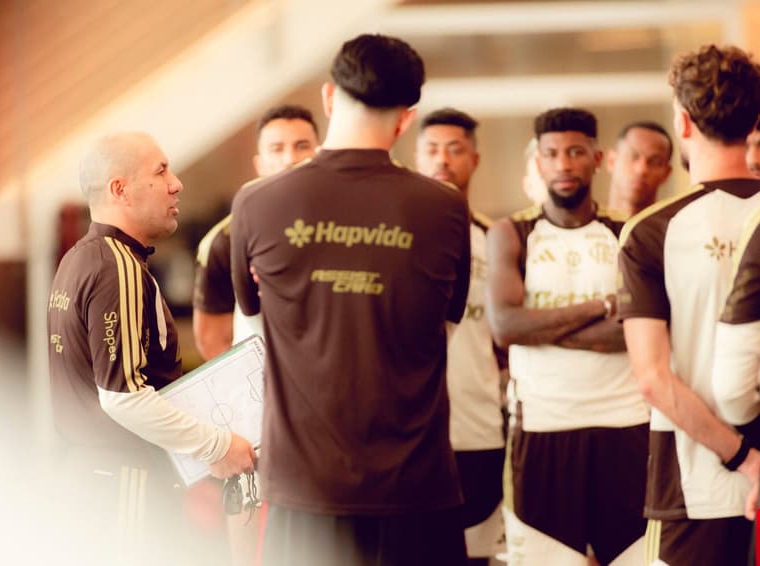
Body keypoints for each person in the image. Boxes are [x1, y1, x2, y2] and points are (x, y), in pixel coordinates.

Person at [231, 33, 471, 566]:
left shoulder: (256, 204)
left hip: (304, 487)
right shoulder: (446, 210)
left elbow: (252, 313)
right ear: (407, 118)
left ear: (328, 98)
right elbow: (448, 321)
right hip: (418, 489)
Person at [47, 131, 256, 564]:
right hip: (121, 481)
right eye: (161, 171)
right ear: (119, 189)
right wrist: (218, 445)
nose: (176, 183)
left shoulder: (80, 258)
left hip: (90, 478)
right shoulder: (115, 266)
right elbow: (124, 399)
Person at [485, 108, 649, 566]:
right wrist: (599, 308)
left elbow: (637, 330)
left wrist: (540, 326)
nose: (563, 164)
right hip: (544, 430)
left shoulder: (627, 233)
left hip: (626, 425)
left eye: (576, 152)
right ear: (537, 162)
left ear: (597, 159)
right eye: (551, 154)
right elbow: (504, 327)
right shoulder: (511, 233)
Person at [617, 44, 760, 566]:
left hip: (696, 487)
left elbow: (653, 379)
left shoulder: (651, 232)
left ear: (681, 122)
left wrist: (746, 460)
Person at [415, 107, 505, 566]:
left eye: (454, 150)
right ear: (416, 157)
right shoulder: (399, 236)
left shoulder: (497, 239)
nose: (443, 160)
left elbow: (508, 339)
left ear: (475, 158)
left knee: (476, 557)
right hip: (410, 435)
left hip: (480, 428)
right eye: (432, 149)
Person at [193, 105, 319, 361]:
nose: (290, 159)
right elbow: (213, 341)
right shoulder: (225, 239)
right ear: (259, 165)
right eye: (277, 149)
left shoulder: (343, 224)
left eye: (302, 146)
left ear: (320, 156)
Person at [605, 121, 673, 216]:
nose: (641, 170)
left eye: (655, 162)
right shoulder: (585, 228)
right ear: (611, 161)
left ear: (666, 174)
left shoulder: (675, 229)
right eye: (633, 156)